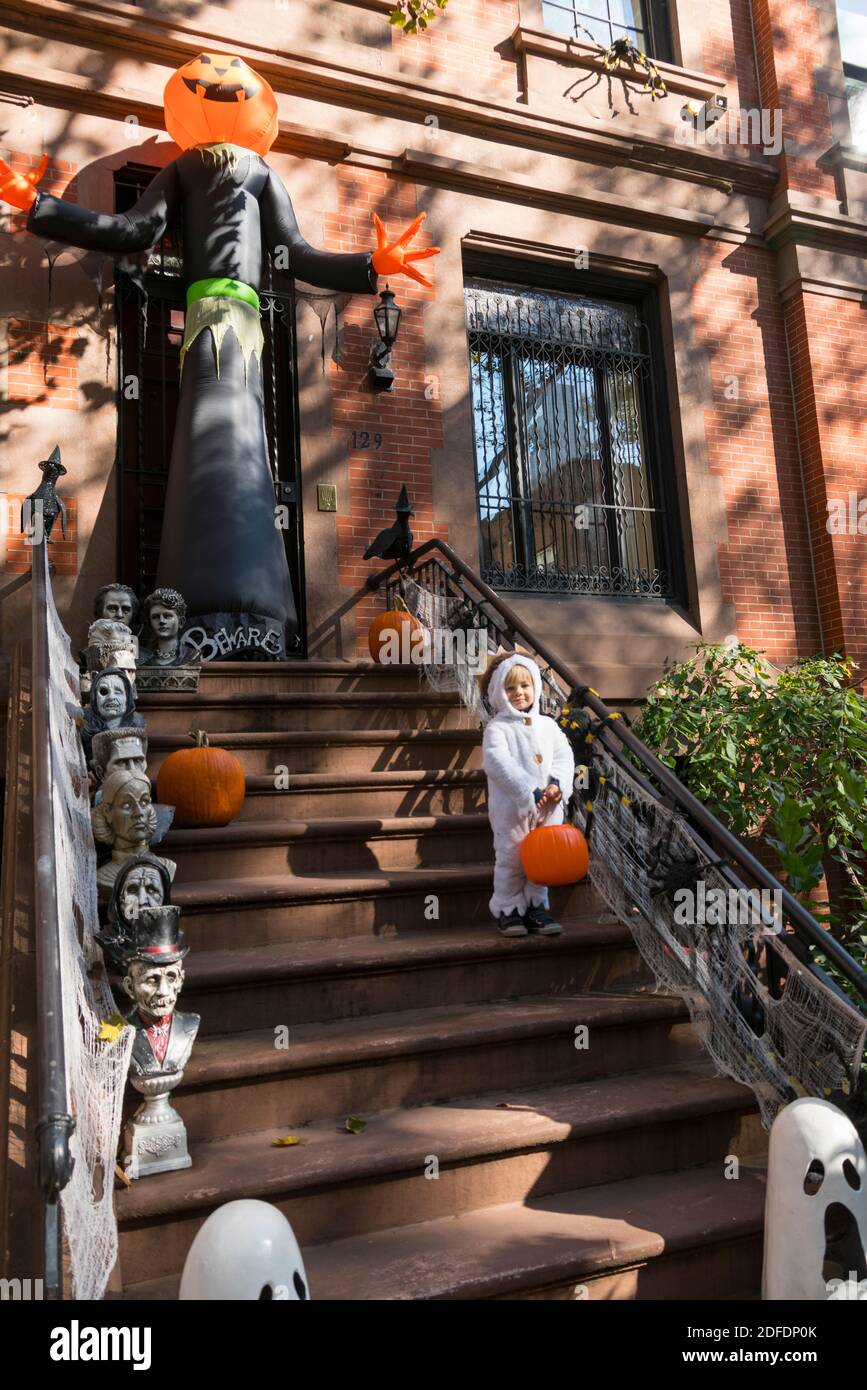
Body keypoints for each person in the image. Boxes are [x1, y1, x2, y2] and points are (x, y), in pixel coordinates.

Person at [481, 651, 575, 937]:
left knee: (542, 859)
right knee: (512, 858)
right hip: (513, 810)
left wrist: (558, 785)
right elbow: (498, 763)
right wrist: (528, 792)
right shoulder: (497, 729)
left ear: (535, 687)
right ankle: (508, 908)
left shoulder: (548, 726)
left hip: (548, 809)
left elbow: (564, 756)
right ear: (499, 693)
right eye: (510, 688)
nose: (519, 693)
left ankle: (536, 906)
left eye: (525, 686)